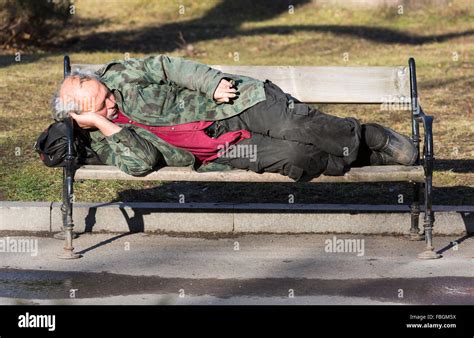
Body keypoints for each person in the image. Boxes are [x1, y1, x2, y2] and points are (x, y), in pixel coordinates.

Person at [51, 55, 417, 181]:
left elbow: (167, 66)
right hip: (222, 151)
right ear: (83, 118)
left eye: (107, 94)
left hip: (233, 105)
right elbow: (142, 163)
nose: (111, 102)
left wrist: (210, 83)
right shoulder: (104, 137)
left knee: (294, 126)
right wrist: (105, 125)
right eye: (102, 107)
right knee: (295, 156)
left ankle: (371, 137)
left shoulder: (121, 74)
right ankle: (359, 155)